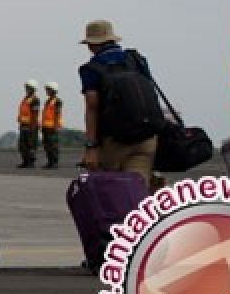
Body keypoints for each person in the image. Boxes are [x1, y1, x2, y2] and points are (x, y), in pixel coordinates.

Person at [78, 20, 158, 186]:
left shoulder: (91, 68)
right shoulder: (137, 60)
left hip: (114, 141)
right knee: (138, 189)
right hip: (147, 137)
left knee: (112, 191)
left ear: (92, 45)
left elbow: (92, 106)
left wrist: (91, 146)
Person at [16, 80, 41, 168]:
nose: (26, 89)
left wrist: (33, 127)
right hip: (24, 125)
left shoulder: (35, 100)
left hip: (31, 125)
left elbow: (35, 114)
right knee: (22, 145)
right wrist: (21, 124)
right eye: (26, 87)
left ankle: (31, 162)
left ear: (32, 89)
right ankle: (25, 161)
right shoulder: (25, 99)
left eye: (28, 87)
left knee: (31, 145)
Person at [40, 81, 63, 170]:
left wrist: (55, 126)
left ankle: (54, 162)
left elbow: (57, 114)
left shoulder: (57, 101)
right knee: (47, 145)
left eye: (48, 89)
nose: (47, 91)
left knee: (53, 145)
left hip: (52, 127)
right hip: (46, 127)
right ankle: (50, 162)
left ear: (53, 90)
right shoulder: (47, 101)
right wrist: (42, 126)